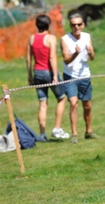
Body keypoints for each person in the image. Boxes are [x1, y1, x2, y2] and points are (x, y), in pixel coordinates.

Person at [26, 14, 69, 142]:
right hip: (48, 72)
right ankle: (56, 128)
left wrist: (29, 75)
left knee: (43, 104)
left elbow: (29, 59)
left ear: (36, 25)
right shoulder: (51, 38)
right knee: (62, 98)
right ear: (48, 25)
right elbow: (52, 57)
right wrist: (55, 75)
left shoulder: (31, 38)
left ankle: (42, 134)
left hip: (37, 73)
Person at [61, 13, 96, 144]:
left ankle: (89, 131)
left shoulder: (87, 36)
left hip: (85, 75)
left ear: (83, 25)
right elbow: (66, 60)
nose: (76, 27)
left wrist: (91, 52)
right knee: (74, 105)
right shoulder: (65, 39)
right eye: (73, 24)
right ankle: (74, 134)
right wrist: (76, 52)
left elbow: (92, 58)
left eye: (79, 24)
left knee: (87, 106)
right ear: (70, 25)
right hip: (70, 77)